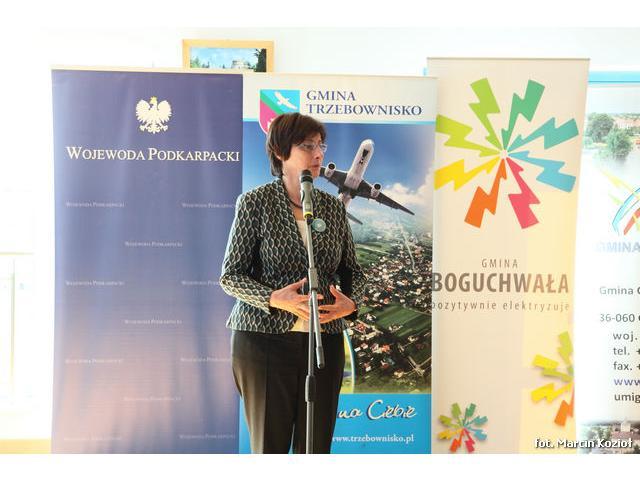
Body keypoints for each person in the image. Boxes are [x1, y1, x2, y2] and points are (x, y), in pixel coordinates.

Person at [219, 112, 366, 454]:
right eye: (307, 146)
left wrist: (351, 303)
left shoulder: (332, 208)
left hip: (324, 342)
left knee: (315, 450)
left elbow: (354, 273)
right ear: (280, 152)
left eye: (321, 145)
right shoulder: (254, 203)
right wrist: (274, 298)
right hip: (263, 343)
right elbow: (231, 276)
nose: (319, 154)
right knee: (270, 449)